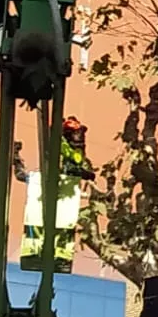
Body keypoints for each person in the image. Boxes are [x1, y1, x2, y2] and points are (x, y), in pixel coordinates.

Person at [19, 116, 94, 272]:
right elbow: (73, 160)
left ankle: (58, 254)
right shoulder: (60, 144)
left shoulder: (69, 146)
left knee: (63, 221)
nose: (79, 138)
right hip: (56, 181)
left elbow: (77, 160)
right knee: (41, 217)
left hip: (65, 184)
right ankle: (36, 251)